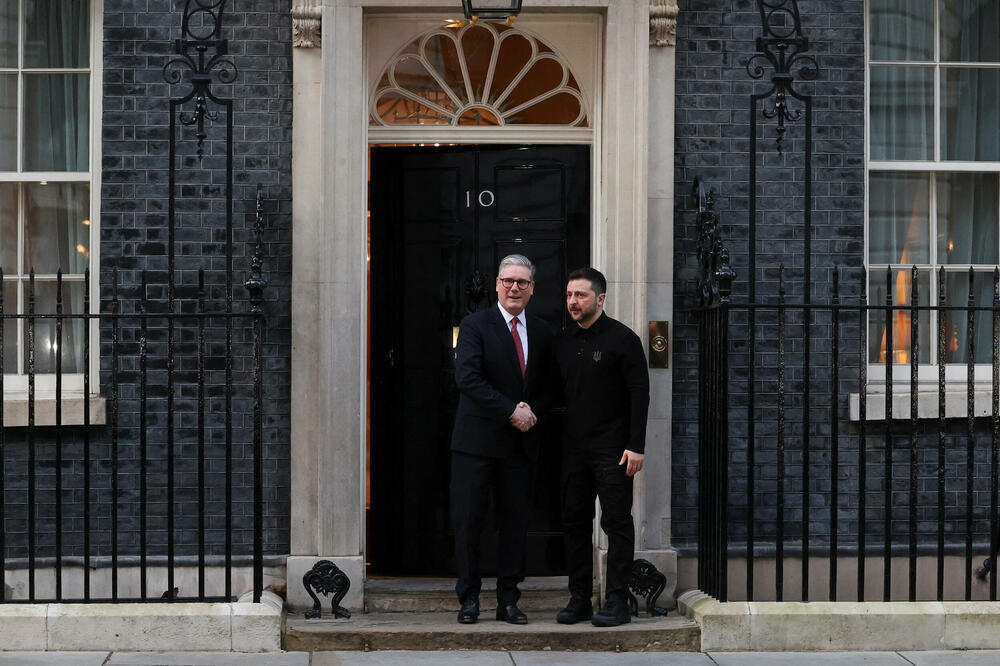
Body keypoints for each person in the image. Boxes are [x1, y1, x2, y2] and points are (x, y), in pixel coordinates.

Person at [450, 254, 555, 625]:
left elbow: (550, 384)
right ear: (497, 284)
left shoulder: (543, 331)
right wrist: (512, 410)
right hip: (476, 444)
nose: (514, 288)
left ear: (531, 289)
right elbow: (468, 379)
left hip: (520, 445)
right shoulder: (475, 325)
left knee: (514, 524)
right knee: (469, 523)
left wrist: (532, 410)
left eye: (522, 283)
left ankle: (509, 599)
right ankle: (469, 599)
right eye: (508, 281)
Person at [554, 267, 650, 627]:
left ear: (601, 298)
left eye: (580, 295)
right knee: (575, 523)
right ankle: (579, 598)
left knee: (617, 523)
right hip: (573, 450)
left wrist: (636, 445)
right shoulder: (563, 342)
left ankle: (616, 600)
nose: (573, 302)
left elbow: (640, 393)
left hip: (614, 449)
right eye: (569, 296)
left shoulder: (623, 339)